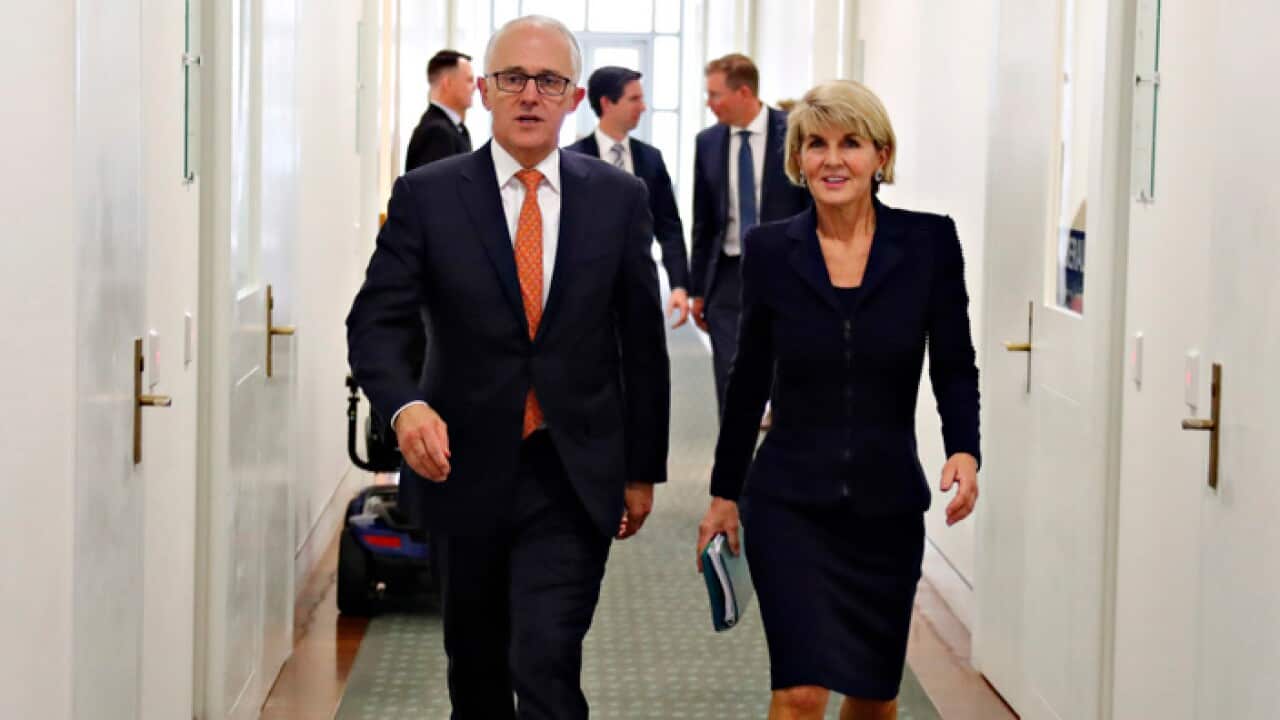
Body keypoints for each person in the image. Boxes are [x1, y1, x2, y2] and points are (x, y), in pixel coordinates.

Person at [347, 15, 670, 720]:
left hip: (573, 469)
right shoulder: (428, 196)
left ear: (574, 97)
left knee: (546, 660)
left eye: (549, 81)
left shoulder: (618, 200)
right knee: (478, 666)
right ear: (487, 92)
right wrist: (405, 407)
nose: (530, 95)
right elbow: (375, 322)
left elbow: (642, 342)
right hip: (459, 467)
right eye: (513, 79)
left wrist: (642, 468)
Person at [695, 80, 981, 720]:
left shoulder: (929, 244)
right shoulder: (772, 250)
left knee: (875, 698)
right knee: (799, 694)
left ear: (881, 155)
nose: (832, 159)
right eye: (815, 144)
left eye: (851, 143)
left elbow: (955, 365)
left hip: (886, 509)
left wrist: (965, 448)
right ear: (797, 160)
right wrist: (723, 494)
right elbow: (748, 381)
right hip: (790, 504)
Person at [690, 53, 810, 412]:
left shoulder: (793, 132)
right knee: (729, 367)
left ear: (744, 92)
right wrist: (698, 289)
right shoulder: (708, 142)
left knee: (781, 365)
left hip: (784, 268)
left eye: (715, 95)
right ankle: (734, 455)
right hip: (727, 273)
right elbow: (703, 221)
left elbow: (809, 205)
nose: (709, 104)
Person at [564, 66, 692, 326]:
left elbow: (669, 227)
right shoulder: (570, 160)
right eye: (634, 99)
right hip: (582, 291)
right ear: (607, 103)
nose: (643, 107)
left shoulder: (651, 159)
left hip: (640, 286)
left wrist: (679, 285)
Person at [404, 49, 476, 172]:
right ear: (447, 83)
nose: (474, 87)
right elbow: (435, 188)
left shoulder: (455, 129)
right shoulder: (437, 133)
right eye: (469, 80)